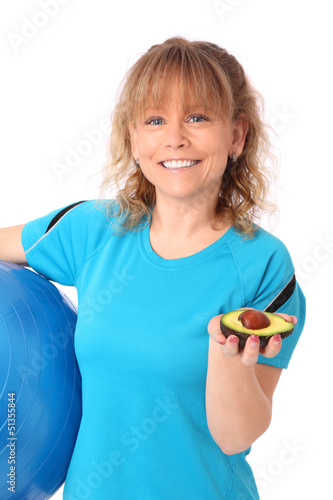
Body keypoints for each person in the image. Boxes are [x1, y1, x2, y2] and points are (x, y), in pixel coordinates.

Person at [0, 37, 305, 499]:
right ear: (133, 138)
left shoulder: (263, 264)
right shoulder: (93, 230)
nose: (175, 137)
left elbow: (235, 437)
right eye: (155, 120)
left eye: (198, 117)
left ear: (237, 135)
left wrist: (229, 360)